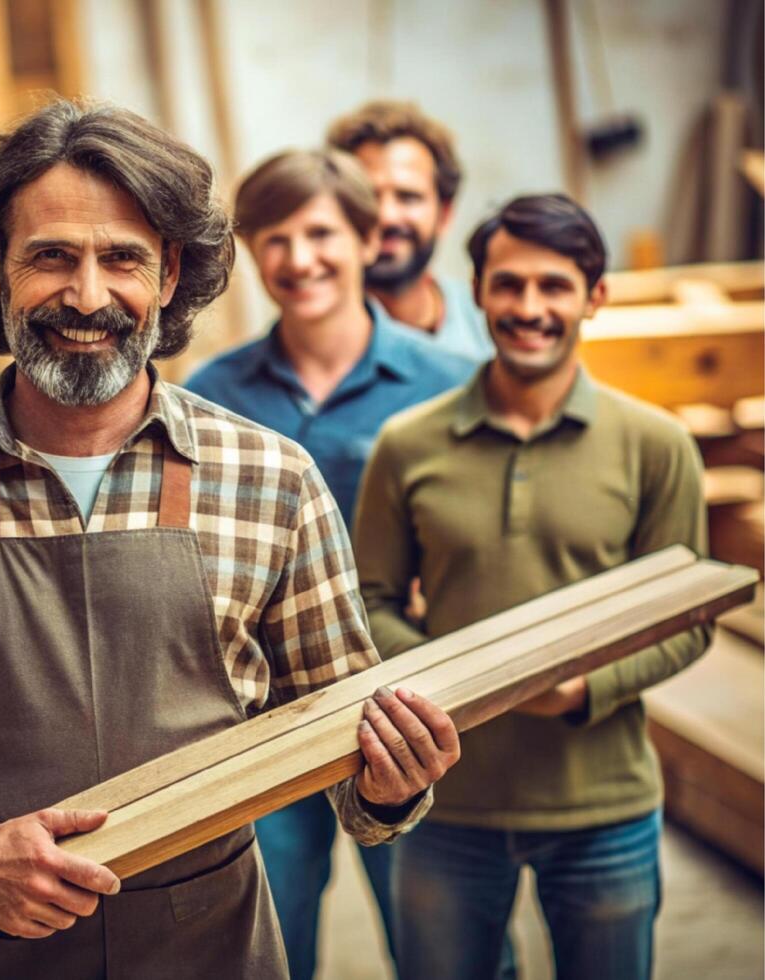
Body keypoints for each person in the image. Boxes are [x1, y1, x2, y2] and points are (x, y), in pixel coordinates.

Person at [0, 99, 461, 979]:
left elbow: (351, 767)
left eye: (121, 258)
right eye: (51, 256)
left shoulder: (271, 481)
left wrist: (390, 784)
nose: (86, 297)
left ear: (168, 274)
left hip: (209, 951)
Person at [353, 194, 710, 980]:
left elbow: (689, 620)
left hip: (604, 808)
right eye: (508, 285)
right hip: (444, 804)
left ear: (595, 296)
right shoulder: (407, 446)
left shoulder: (657, 446)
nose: (528, 307)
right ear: (477, 291)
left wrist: (584, 684)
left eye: (553, 286)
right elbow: (367, 602)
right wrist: (470, 678)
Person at [183, 148, 472, 980]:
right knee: (269, 946)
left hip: (408, 707)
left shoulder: (448, 385)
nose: (299, 258)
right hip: (256, 720)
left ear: (364, 237)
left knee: (444, 951)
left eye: (320, 233)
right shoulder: (212, 395)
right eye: (274, 238)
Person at [328, 100, 492, 362]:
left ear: (445, 214)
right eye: (368, 196)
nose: (386, 216)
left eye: (408, 197)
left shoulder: (490, 327)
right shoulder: (308, 342)